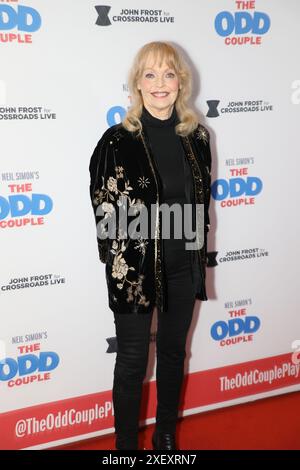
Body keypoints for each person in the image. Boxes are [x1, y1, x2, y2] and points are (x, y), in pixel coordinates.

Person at [89, 41, 212, 450]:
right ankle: (126, 448)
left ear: (181, 83)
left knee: (175, 354)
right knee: (131, 363)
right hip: (135, 273)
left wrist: (196, 256)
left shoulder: (196, 137)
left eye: (169, 74)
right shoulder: (116, 141)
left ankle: (164, 438)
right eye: (150, 75)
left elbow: (200, 203)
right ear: (137, 86)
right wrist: (120, 265)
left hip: (183, 267)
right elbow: (104, 209)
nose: (161, 83)